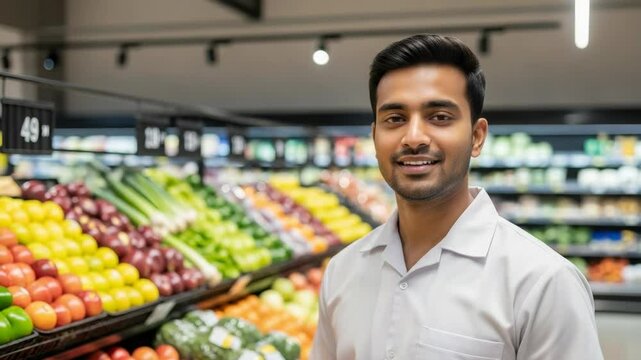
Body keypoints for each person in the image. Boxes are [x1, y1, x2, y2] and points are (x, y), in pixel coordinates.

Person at [310, 34, 603, 360]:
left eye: (439, 117)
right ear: (374, 136)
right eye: (395, 118)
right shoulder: (341, 272)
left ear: (477, 138)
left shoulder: (543, 283)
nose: (414, 137)